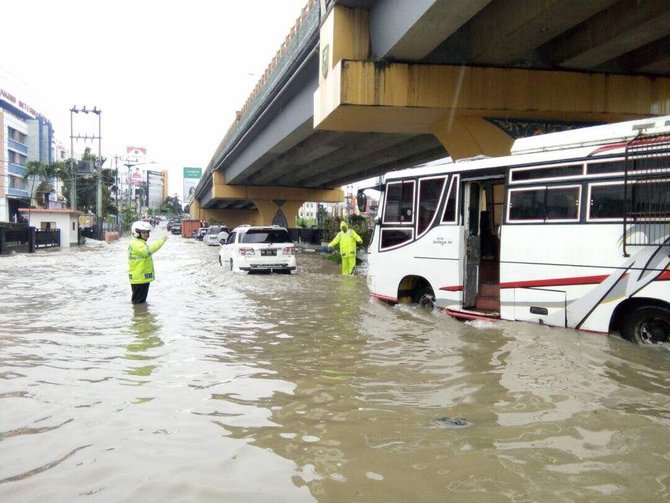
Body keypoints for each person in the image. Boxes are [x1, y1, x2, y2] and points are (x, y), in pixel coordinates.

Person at [128, 220, 168, 304]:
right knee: (138, 303)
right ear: (137, 233)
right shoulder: (137, 244)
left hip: (140, 277)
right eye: (144, 232)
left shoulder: (139, 242)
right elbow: (148, 251)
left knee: (140, 303)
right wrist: (161, 241)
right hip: (139, 278)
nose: (147, 234)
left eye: (147, 232)